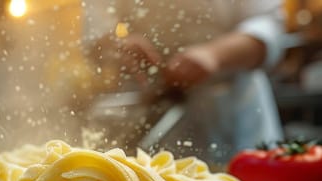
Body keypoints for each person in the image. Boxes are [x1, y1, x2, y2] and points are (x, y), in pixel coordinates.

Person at [83, 0, 293, 164]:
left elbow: (268, 27)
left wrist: (215, 55)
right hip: (154, 106)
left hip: (232, 109)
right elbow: (98, 29)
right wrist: (119, 44)